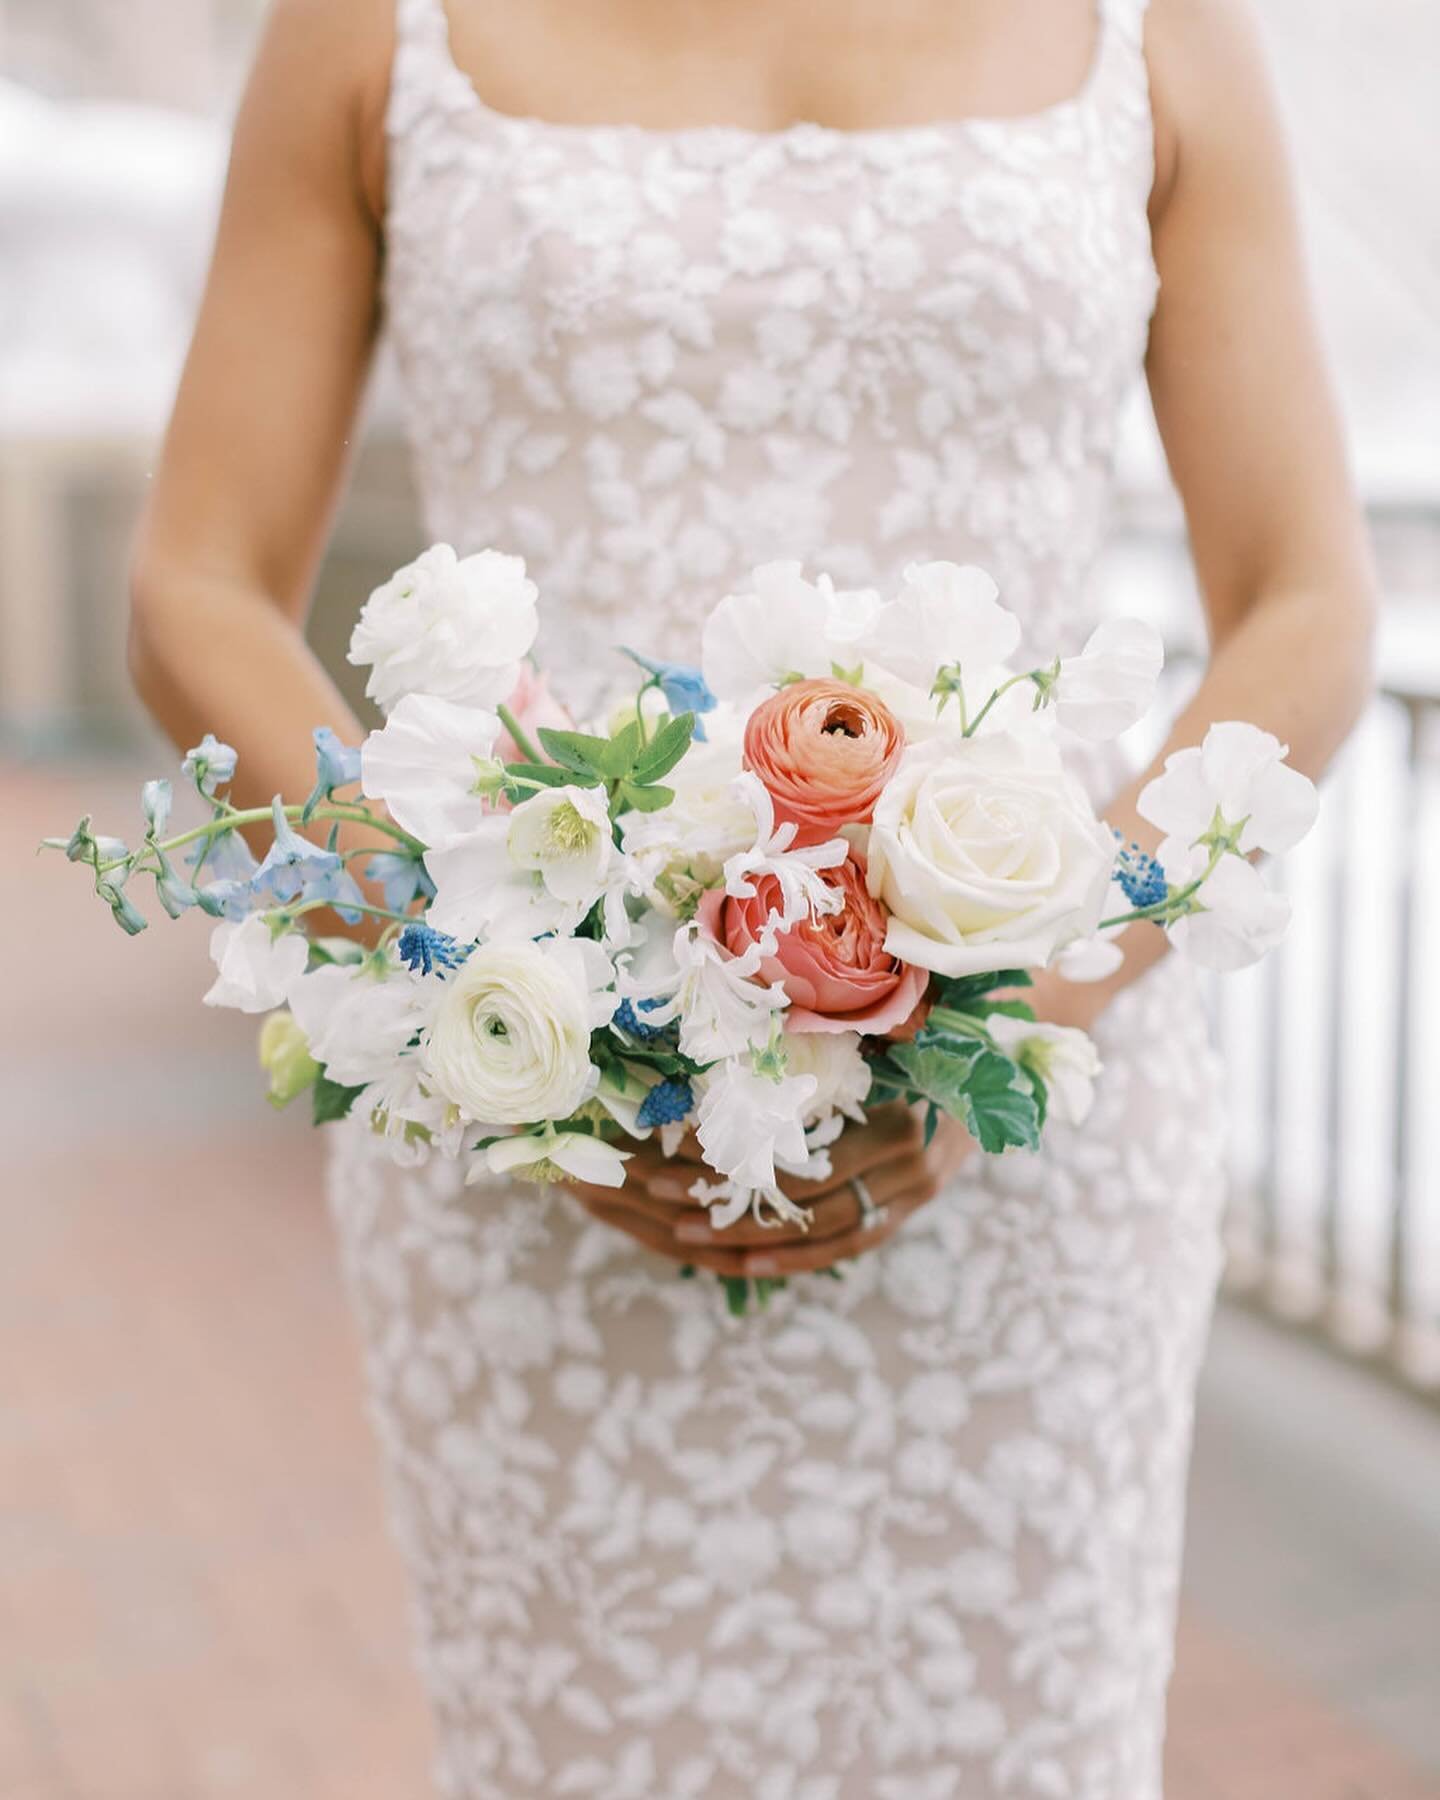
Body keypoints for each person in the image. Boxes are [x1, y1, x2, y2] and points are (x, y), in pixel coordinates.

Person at [128, 0, 1375, 1791]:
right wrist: (498, 1009)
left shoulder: (1159, 28)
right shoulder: (368, 27)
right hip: (537, 1178)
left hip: (1024, 1180)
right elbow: (194, 587)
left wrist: (1019, 1010)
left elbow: (1309, 603)